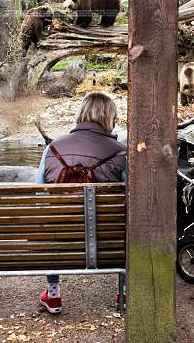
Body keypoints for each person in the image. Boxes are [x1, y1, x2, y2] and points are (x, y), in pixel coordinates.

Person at [36, 91, 126, 314]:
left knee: (49, 223)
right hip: (108, 240)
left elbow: (39, 196)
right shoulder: (121, 153)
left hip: (61, 237)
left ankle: (54, 294)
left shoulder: (52, 148)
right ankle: (124, 293)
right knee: (128, 224)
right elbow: (132, 197)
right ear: (109, 118)